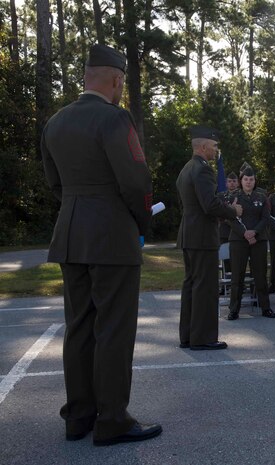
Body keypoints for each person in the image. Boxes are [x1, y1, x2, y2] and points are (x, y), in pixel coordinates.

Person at [41, 44, 162, 445]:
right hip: (112, 236)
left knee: (79, 327)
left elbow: (55, 184)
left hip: (71, 234)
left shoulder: (55, 122)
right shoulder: (114, 119)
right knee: (113, 328)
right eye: (122, 82)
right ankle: (112, 420)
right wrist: (141, 223)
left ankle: (78, 416)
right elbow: (137, 183)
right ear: (115, 79)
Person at [177, 126, 243, 351]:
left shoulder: (187, 168)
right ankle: (203, 338)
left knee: (191, 286)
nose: (216, 151)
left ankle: (188, 336)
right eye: (214, 146)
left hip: (189, 234)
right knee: (204, 288)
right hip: (202, 236)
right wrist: (233, 211)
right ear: (203, 146)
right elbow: (210, 204)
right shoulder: (203, 170)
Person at [226, 167, 275, 320]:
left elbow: (265, 218)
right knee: (237, 276)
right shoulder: (233, 197)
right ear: (241, 181)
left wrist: (254, 232)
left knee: (260, 275)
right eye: (246, 179)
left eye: (251, 179)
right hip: (238, 240)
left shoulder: (262, 197)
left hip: (258, 240)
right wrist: (245, 233)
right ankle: (234, 310)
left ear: (255, 181)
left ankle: (265, 308)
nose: (248, 182)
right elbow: (230, 218)